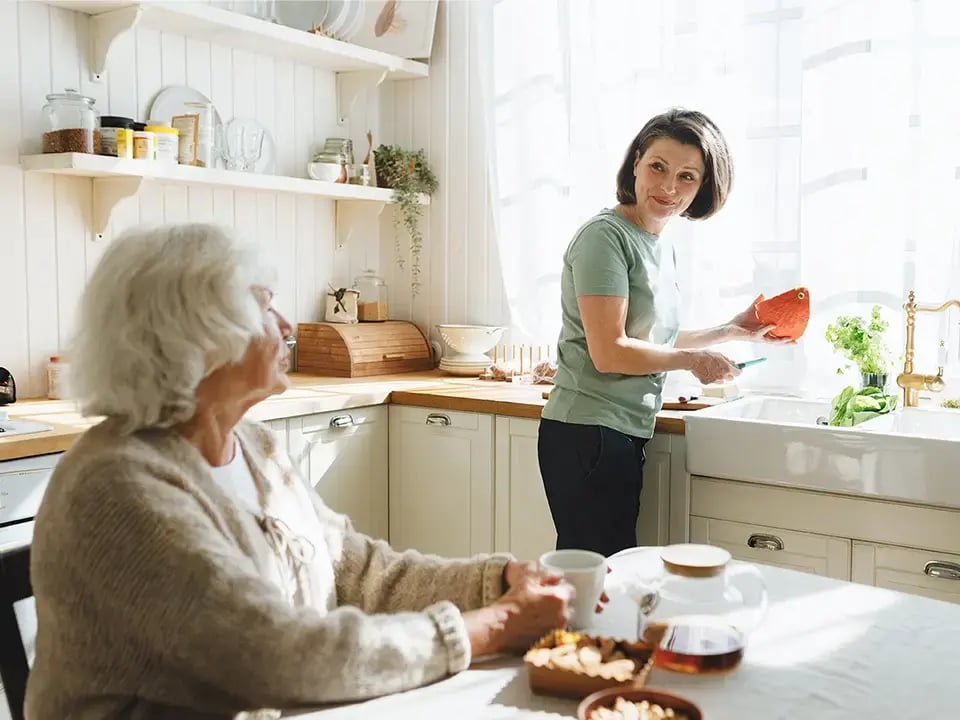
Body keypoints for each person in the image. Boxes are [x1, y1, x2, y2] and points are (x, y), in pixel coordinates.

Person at [25, 223, 578, 720]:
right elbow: (273, 654)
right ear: (197, 334)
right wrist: (492, 627)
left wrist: (497, 581)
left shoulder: (254, 445)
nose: (287, 325)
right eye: (264, 307)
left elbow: (359, 572)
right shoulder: (115, 488)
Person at [539, 108, 784, 558]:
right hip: (587, 431)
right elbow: (610, 352)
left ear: (703, 187)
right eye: (658, 167)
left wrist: (730, 330)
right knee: (599, 572)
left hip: (621, 431)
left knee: (609, 569)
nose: (669, 187)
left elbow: (650, 338)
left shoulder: (657, 243)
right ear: (636, 162)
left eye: (687, 177)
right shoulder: (604, 238)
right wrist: (692, 362)